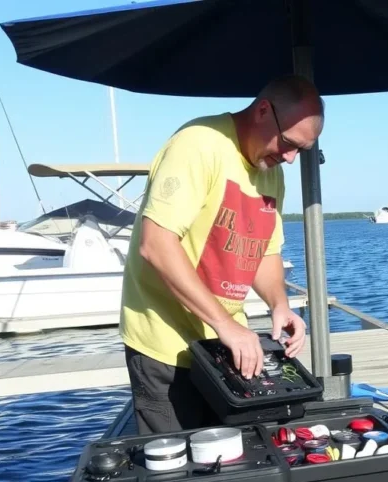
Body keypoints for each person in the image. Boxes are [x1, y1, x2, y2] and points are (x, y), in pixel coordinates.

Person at [119, 74, 325, 435]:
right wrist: (226, 325)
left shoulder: (270, 168)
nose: (291, 158)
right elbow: (155, 244)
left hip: (225, 345)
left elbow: (264, 251)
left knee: (234, 459)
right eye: (289, 143)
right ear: (263, 110)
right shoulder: (199, 145)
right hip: (165, 347)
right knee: (176, 471)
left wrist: (279, 303)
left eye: (301, 151)